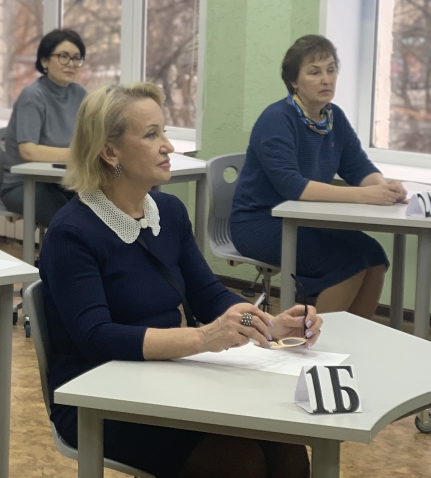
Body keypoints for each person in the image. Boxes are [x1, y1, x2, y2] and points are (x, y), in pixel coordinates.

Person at [41, 83, 320, 478]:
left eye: (165, 131)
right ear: (110, 152)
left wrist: (268, 326)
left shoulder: (168, 211)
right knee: (238, 463)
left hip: (168, 377)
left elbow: (208, 295)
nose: (168, 146)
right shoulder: (72, 232)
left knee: (287, 450)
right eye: (151, 134)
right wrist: (203, 338)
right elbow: (96, 337)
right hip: (97, 394)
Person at [231, 35, 406, 318]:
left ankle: (353, 338)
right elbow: (293, 186)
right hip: (261, 222)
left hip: (304, 221)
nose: (326, 79)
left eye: (331, 70)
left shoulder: (334, 117)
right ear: (294, 81)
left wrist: (384, 188)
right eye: (314, 72)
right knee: (347, 263)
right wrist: (365, 195)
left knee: (373, 256)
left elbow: (358, 168)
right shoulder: (277, 118)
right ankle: (317, 340)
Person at [0, 28, 87, 226]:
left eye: (76, 58)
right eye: (63, 56)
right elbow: (28, 151)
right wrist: (78, 155)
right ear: (45, 61)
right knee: (73, 220)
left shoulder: (80, 94)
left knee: (103, 207)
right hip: (23, 185)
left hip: (60, 181)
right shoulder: (33, 96)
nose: (71, 63)